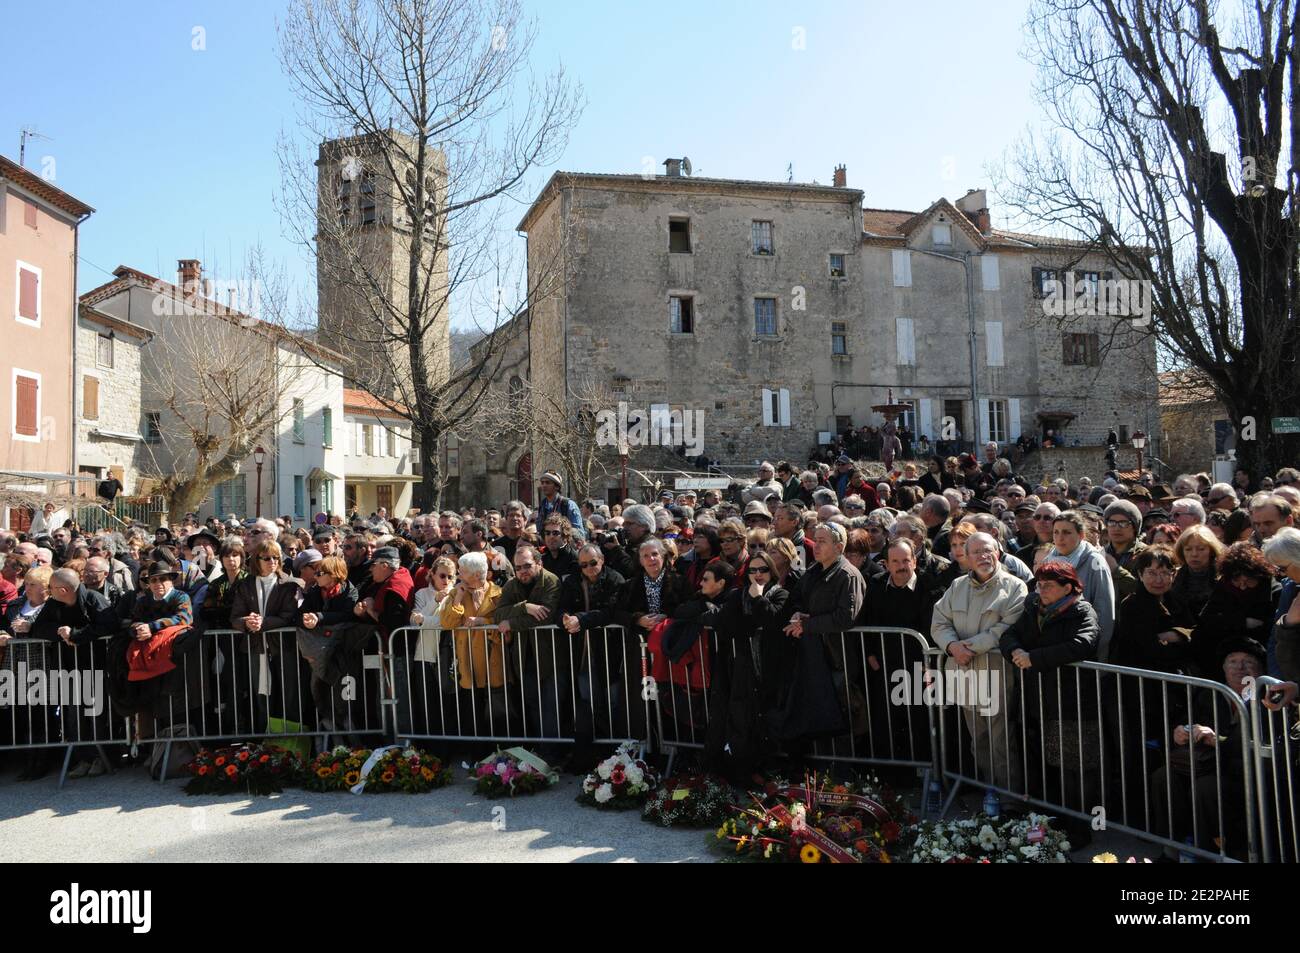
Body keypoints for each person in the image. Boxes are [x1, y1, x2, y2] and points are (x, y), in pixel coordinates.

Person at [999, 560, 1100, 842]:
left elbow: (1084, 644)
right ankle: (1048, 826)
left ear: (1068, 587)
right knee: (1042, 769)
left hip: (1069, 703)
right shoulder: (1033, 607)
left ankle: (1080, 831)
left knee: (1074, 772)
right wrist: (1017, 651)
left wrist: (1035, 658)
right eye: (1039, 584)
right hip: (1036, 700)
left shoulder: (1082, 610)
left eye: (1048, 585)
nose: (1041, 590)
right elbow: (1009, 636)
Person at [931, 531, 1027, 802]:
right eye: (976, 552)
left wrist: (967, 647)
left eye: (988, 550)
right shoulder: (957, 586)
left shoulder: (1015, 587)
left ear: (997, 552)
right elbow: (939, 622)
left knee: (1001, 739)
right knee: (979, 738)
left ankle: (1010, 800)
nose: (983, 556)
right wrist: (952, 647)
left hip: (995, 671)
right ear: (967, 558)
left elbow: (1007, 626)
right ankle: (991, 793)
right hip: (962, 672)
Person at [1149, 638, 1264, 860]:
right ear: (1223, 667)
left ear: (1260, 668)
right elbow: (1185, 723)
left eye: (1248, 662)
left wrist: (1218, 740)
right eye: (1233, 661)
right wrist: (1179, 733)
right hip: (1205, 765)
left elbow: (1261, 746)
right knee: (1163, 776)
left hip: (1245, 775)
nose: (1239, 668)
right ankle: (1170, 848)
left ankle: (1209, 852)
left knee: (1207, 787)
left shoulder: (1266, 699)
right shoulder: (1211, 694)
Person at [491, 545, 563, 740]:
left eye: (527, 566)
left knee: (551, 704)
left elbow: (545, 617)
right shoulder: (511, 585)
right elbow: (498, 614)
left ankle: (552, 750)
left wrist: (511, 623)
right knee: (532, 702)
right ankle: (538, 748)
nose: (522, 571)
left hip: (551, 654)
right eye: (518, 567)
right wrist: (526, 607)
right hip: (524, 656)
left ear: (539, 564)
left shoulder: (550, 581)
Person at [440, 550, 508, 731]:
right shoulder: (456, 593)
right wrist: (459, 599)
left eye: (462, 571)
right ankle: (475, 754)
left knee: (498, 714)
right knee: (472, 715)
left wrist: (483, 622)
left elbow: (505, 622)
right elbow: (446, 623)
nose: (458, 574)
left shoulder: (498, 593)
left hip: (492, 661)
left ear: (477, 574)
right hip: (467, 662)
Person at [1190, 542, 1278, 679]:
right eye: (1237, 581)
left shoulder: (1274, 591)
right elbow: (1207, 620)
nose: (1242, 586)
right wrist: (1240, 622)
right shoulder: (1224, 588)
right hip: (1223, 659)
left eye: (1248, 581)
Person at [1042, 511, 1117, 660]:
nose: (1060, 538)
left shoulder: (1095, 561)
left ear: (1081, 535)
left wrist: (1095, 648)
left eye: (1067, 532)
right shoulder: (1048, 560)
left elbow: (1104, 609)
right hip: (1055, 647)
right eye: (1056, 532)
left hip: (1085, 647)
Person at [1169, 525, 1223, 619]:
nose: (1194, 554)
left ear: (1211, 551)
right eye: (1188, 549)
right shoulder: (1173, 579)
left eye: (1201, 549)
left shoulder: (1223, 579)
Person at [535, 472, 585, 541]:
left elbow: (580, 534)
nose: (544, 485)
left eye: (547, 483)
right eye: (542, 483)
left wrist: (560, 531)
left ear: (557, 486)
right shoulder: (542, 506)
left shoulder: (568, 505)